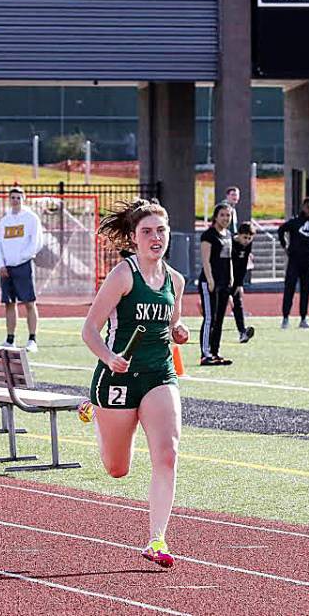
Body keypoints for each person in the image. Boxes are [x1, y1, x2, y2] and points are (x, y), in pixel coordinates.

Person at [79, 199, 189, 568]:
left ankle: (157, 539)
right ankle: (94, 408)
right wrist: (109, 357)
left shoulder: (176, 280)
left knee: (168, 454)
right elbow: (90, 329)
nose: (155, 238)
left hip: (159, 375)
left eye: (161, 231)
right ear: (132, 238)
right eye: (147, 232)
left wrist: (179, 330)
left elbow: (171, 326)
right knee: (117, 468)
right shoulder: (123, 275)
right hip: (118, 380)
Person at [0, 187, 42, 353]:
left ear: (24, 199)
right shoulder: (4, 220)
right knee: (9, 303)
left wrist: (21, 258)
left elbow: (35, 242)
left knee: (29, 302)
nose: (15, 200)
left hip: (23, 265)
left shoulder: (31, 218)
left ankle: (32, 339)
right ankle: (10, 339)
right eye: (12, 197)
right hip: (6, 268)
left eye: (18, 197)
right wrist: (1, 264)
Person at [278, 197, 309, 329]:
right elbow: (281, 230)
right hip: (294, 261)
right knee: (290, 289)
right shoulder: (295, 222)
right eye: (308, 207)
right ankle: (285, 318)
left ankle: (303, 319)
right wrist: (285, 245)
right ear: (303, 208)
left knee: (306, 291)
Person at [198, 204, 233, 366]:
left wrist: (231, 277)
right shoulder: (208, 236)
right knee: (209, 318)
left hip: (224, 282)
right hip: (210, 282)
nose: (226, 218)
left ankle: (215, 351)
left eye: (228, 215)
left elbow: (229, 258)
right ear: (216, 217)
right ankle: (205, 354)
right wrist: (210, 279)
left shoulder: (228, 235)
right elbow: (205, 260)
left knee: (219, 319)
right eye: (223, 215)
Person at [231, 221, 256, 343]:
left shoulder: (248, 245)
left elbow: (244, 263)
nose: (247, 240)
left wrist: (239, 283)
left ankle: (242, 332)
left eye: (249, 238)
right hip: (223, 277)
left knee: (238, 303)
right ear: (239, 235)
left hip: (235, 277)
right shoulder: (230, 243)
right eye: (245, 237)